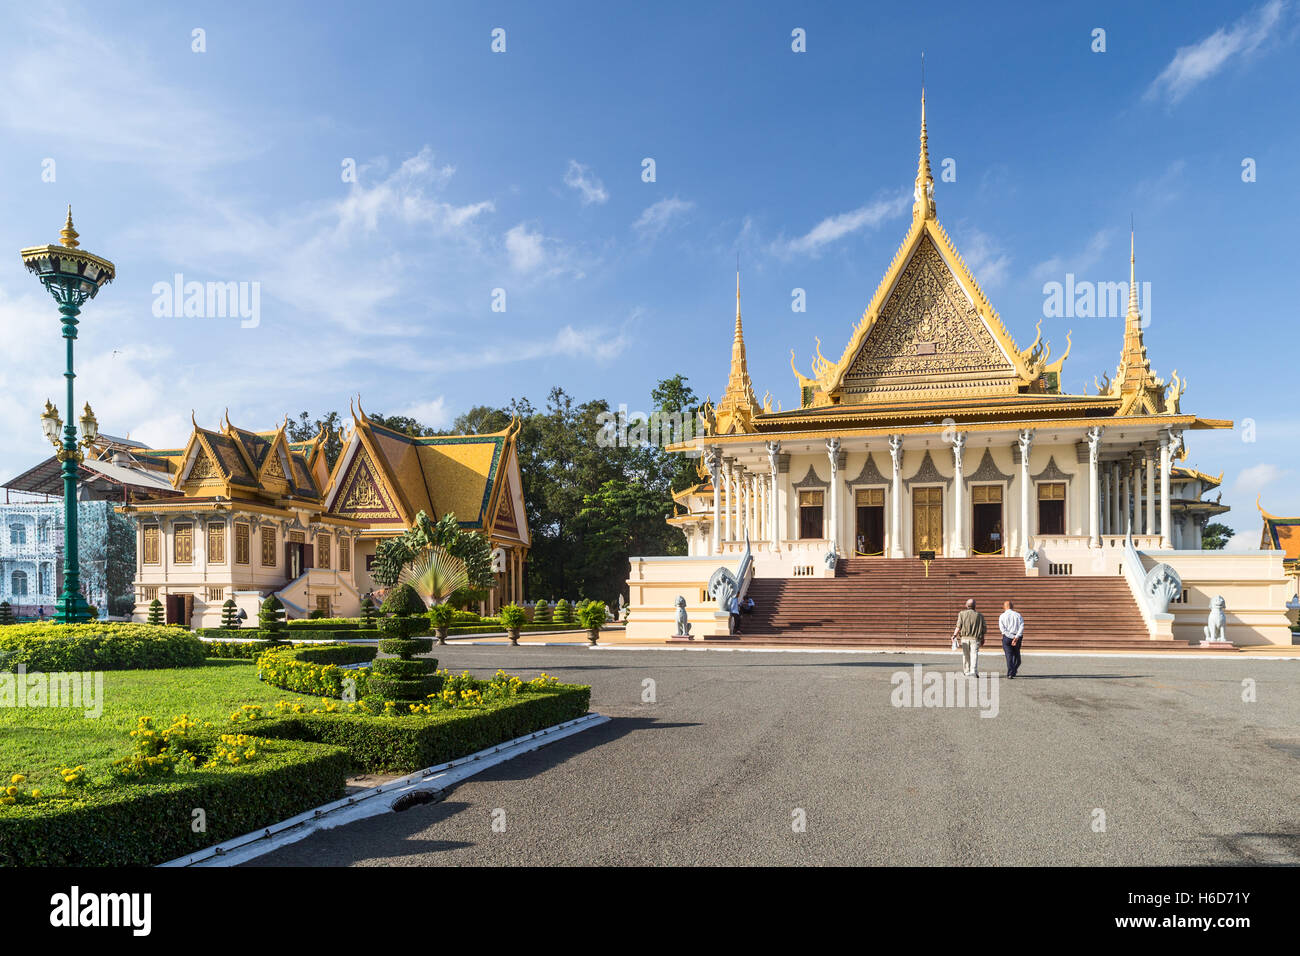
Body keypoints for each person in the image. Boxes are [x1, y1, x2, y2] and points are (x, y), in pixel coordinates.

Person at [951, 598, 986, 676]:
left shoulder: (961, 614)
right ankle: (973, 671)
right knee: (974, 655)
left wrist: (954, 635)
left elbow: (958, 626)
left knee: (966, 655)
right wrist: (983, 638)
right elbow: (984, 628)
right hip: (975, 638)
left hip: (964, 638)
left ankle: (966, 671)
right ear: (975, 606)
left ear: (966, 605)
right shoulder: (980, 616)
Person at [999, 599, 1024, 678]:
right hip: (1017, 637)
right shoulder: (1018, 615)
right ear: (1012, 606)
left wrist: (1011, 637)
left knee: (1009, 656)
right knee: (1017, 657)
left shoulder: (1002, 616)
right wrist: (1016, 637)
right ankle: (1013, 670)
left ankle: (1011, 672)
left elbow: (1003, 630)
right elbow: (1022, 626)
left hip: (1007, 638)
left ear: (1004, 607)